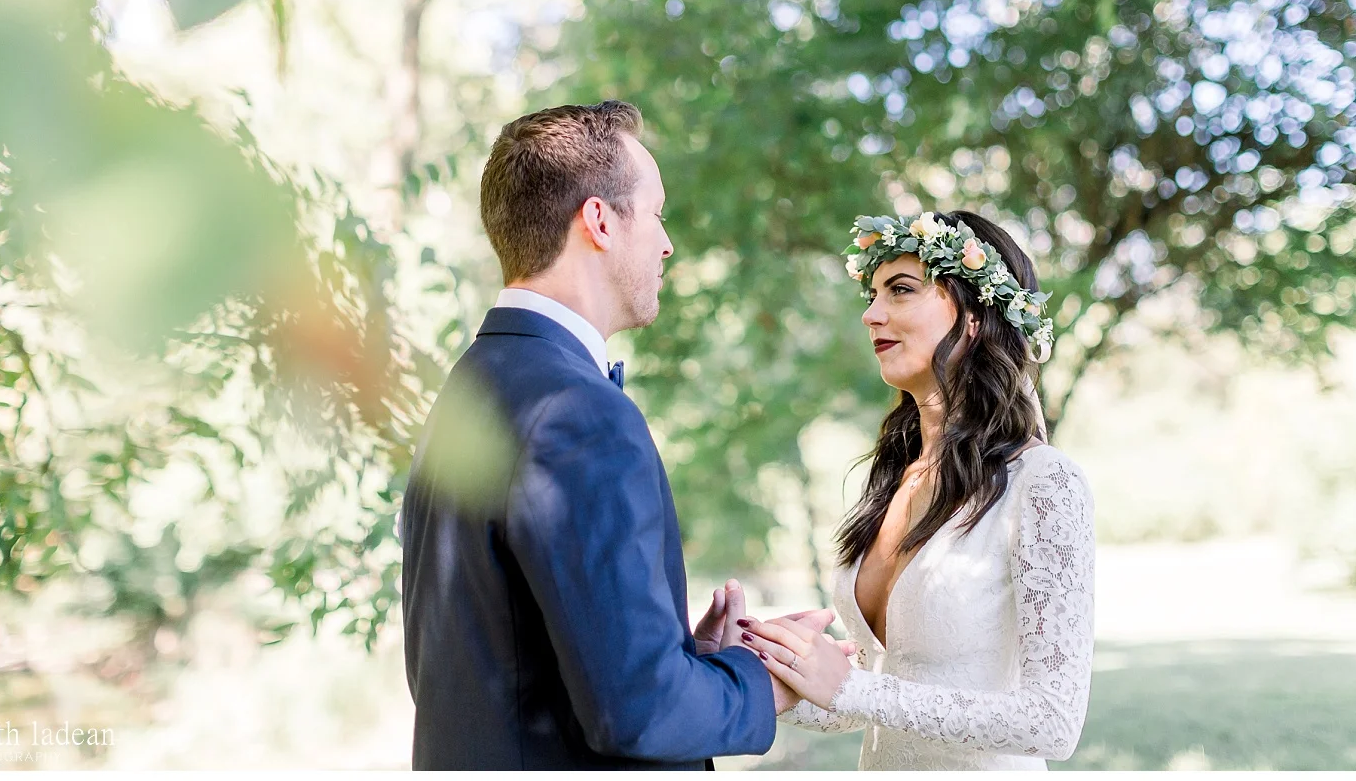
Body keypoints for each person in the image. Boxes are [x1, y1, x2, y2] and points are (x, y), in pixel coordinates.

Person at [399, 100, 801, 769]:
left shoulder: (472, 387)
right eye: (657, 213)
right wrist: (759, 681)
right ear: (600, 221)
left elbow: (503, 662)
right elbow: (642, 714)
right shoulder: (578, 411)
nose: (667, 243)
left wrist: (686, 657)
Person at [738, 209, 1096, 770]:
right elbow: (878, 694)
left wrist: (850, 688)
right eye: (872, 295)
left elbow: (1053, 721)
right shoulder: (897, 478)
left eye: (900, 290)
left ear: (974, 316)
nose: (870, 314)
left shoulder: (1044, 484)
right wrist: (761, 663)